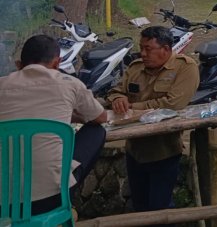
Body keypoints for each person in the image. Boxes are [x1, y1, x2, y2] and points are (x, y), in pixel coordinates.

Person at [0, 34, 107, 215]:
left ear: (18, 65)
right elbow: (100, 117)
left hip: (3, 202)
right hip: (49, 198)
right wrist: (72, 116)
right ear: (57, 64)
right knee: (96, 132)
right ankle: (66, 203)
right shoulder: (70, 84)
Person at [107, 26, 199, 216]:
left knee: (160, 208)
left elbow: (173, 104)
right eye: (141, 48)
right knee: (139, 208)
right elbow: (115, 91)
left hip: (163, 150)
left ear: (165, 49)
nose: (143, 53)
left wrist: (133, 107)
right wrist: (117, 99)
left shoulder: (185, 67)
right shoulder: (135, 68)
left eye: (149, 49)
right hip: (135, 150)